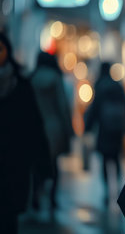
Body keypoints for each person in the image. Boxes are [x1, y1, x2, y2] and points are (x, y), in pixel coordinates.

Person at [0, 32, 52, 233]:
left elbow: (34, 126)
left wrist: (44, 164)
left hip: (14, 163)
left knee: (8, 219)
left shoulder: (21, 85)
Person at [30, 51, 74, 210]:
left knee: (36, 163)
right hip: (54, 126)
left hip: (35, 127)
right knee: (54, 164)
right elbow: (62, 106)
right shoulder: (55, 78)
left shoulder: (31, 78)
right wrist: (69, 129)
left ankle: (35, 195)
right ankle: (53, 197)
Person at [84, 62, 125, 204]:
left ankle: (106, 190)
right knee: (116, 158)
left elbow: (94, 108)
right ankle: (116, 186)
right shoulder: (117, 86)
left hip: (104, 129)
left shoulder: (100, 86)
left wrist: (88, 126)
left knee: (105, 159)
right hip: (117, 129)